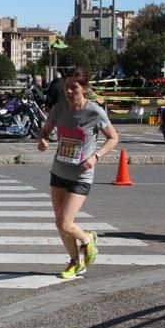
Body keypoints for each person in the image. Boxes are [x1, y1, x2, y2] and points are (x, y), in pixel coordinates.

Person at [36, 67, 119, 280]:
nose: (69, 92)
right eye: (67, 87)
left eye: (74, 87)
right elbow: (45, 130)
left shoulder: (94, 112)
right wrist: (43, 139)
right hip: (59, 171)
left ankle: (88, 239)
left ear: (84, 89)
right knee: (61, 223)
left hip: (81, 175)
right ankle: (75, 262)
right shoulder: (58, 109)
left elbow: (113, 138)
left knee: (64, 222)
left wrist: (95, 157)